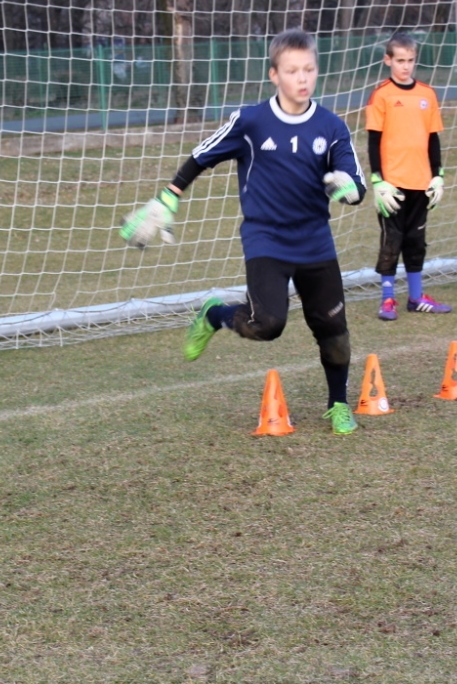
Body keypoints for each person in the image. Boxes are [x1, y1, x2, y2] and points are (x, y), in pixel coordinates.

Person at [118, 28, 366, 435]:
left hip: (315, 242)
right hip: (266, 239)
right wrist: (168, 197)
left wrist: (347, 188)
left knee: (334, 332)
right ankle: (213, 314)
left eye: (308, 69)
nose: (302, 79)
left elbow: (355, 184)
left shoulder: (331, 126)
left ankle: (338, 404)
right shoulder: (250, 121)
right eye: (292, 70)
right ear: (274, 75)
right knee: (267, 324)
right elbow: (201, 156)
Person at [365, 33, 450, 321]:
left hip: (421, 182)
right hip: (393, 185)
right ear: (387, 60)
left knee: (416, 241)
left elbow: (433, 139)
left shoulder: (427, 94)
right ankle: (387, 299)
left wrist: (438, 176)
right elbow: (374, 141)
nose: (405, 66)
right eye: (400, 60)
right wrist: (378, 180)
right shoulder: (381, 95)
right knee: (392, 240)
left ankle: (416, 297)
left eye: (410, 60)